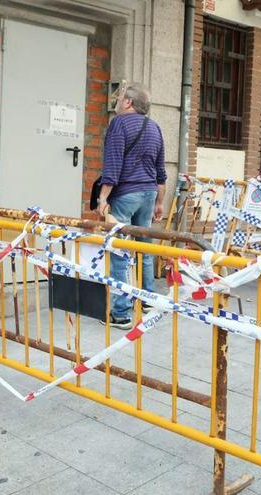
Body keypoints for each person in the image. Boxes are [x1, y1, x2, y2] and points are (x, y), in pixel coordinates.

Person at [96, 82, 166, 329]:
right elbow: (160, 171)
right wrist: (159, 202)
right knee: (144, 247)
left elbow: (113, 165)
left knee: (119, 251)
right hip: (148, 194)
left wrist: (103, 198)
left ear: (128, 102)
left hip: (126, 194)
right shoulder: (155, 127)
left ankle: (121, 312)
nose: (116, 101)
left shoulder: (119, 124)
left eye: (120, 97)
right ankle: (148, 300)